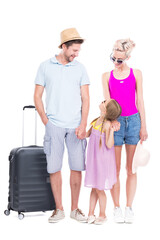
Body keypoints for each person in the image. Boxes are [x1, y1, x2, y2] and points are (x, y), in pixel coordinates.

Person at [34, 28, 90, 223]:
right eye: (73, 50)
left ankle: (75, 209)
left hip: (76, 126)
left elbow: (86, 98)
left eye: (78, 51)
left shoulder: (80, 68)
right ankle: (59, 209)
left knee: (77, 167)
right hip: (54, 125)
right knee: (54, 168)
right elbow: (37, 96)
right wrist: (46, 121)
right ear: (64, 46)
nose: (76, 54)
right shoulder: (45, 66)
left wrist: (83, 124)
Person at [102, 39, 148, 223]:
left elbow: (140, 101)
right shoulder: (106, 76)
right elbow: (108, 104)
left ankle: (129, 207)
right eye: (113, 58)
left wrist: (144, 125)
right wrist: (111, 123)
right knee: (115, 169)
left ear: (128, 58)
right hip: (116, 123)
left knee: (131, 169)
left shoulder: (136, 73)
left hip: (134, 122)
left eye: (120, 60)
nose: (115, 62)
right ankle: (116, 207)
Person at [84, 99, 122, 224]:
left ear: (105, 110)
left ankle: (102, 214)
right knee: (94, 187)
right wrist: (81, 133)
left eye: (104, 102)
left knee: (99, 188)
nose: (102, 100)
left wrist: (111, 131)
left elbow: (109, 144)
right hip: (93, 160)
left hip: (101, 161)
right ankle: (90, 213)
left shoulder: (106, 125)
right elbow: (89, 134)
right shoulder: (97, 120)